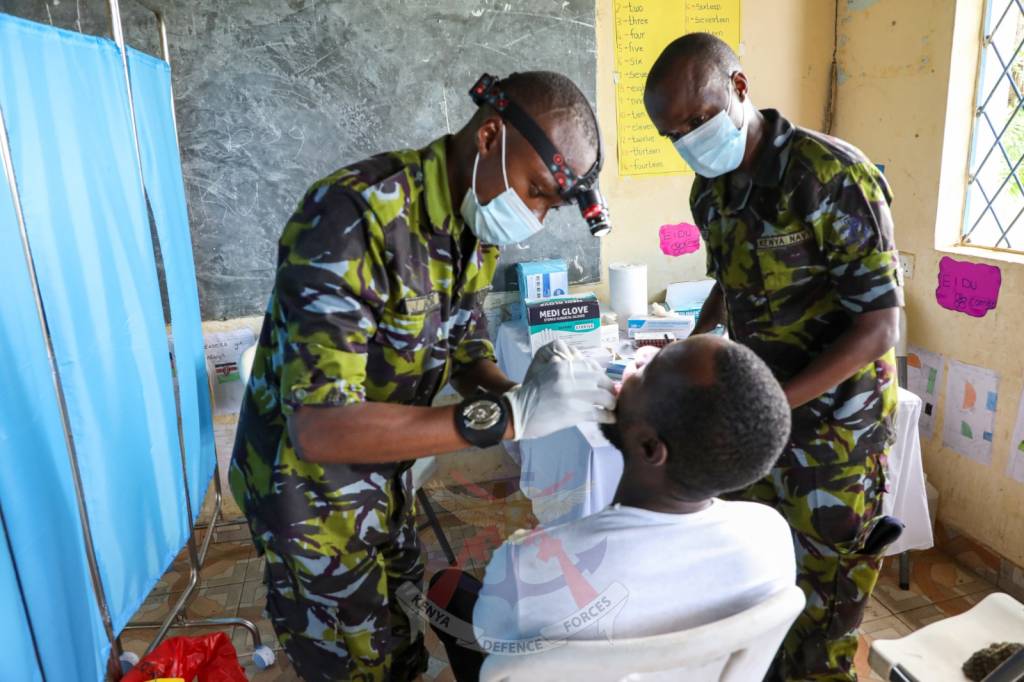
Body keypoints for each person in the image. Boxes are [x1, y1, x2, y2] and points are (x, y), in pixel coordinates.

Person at [228, 71, 617, 681]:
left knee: (403, 633)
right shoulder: (353, 216)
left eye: (551, 204)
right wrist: (506, 417)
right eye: (536, 192)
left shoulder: (475, 224)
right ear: (490, 136)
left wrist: (525, 390)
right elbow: (320, 430)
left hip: (386, 478)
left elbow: (464, 350)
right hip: (308, 500)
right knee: (353, 664)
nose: (536, 217)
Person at [643, 33, 903, 681]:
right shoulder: (711, 192)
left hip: (835, 435)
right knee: (755, 592)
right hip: (758, 429)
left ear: (739, 86)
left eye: (699, 119)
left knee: (822, 622)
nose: (690, 141)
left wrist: (770, 406)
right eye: (674, 135)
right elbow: (731, 285)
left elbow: (879, 327)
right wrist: (692, 344)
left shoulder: (830, 176)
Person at [426, 335, 796, 682]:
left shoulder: (530, 563)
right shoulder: (770, 535)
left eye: (647, 371)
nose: (636, 362)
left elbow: (491, 640)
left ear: (650, 447)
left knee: (448, 589)